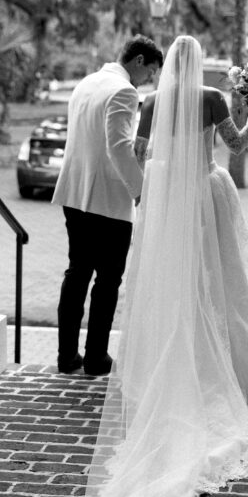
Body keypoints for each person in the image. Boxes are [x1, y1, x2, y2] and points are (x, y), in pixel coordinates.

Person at [68, 35, 248, 497]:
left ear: (167, 65)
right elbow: (236, 146)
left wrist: (161, 178)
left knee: (173, 282)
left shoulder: (150, 102)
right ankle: (232, 369)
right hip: (208, 196)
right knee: (221, 285)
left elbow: (139, 152)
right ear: (200, 66)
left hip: (170, 201)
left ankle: (175, 356)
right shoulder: (213, 97)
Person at [52, 36, 164, 376]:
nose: (150, 80)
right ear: (140, 60)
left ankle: (67, 356)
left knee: (77, 273)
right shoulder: (124, 91)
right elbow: (118, 147)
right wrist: (141, 191)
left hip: (74, 193)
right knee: (107, 280)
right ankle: (96, 357)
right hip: (108, 200)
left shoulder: (86, 83)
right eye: (152, 72)